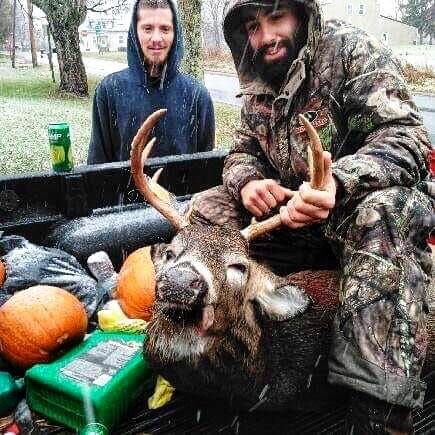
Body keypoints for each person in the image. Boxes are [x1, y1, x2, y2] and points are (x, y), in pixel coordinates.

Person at [189, 1, 434, 433]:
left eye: (276, 18)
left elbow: (407, 137)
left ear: (301, 14)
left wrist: (337, 182)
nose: (266, 37)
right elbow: (241, 152)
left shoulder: (350, 51)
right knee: (208, 206)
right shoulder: (259, 77)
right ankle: (220, 345)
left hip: (352, 215)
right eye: (253, 26)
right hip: (291, 222)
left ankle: (379, 407)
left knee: (389, 210)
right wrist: (248, 183)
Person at [87, 0, 215, 164]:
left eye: (165, 29)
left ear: (175, 33)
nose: (156, 38)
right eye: (147, 28)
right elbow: (97, 166)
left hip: (184, 191)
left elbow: (206, 169)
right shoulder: (108, 91)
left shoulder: (198, 96)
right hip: (124, 190)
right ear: (135, 32)